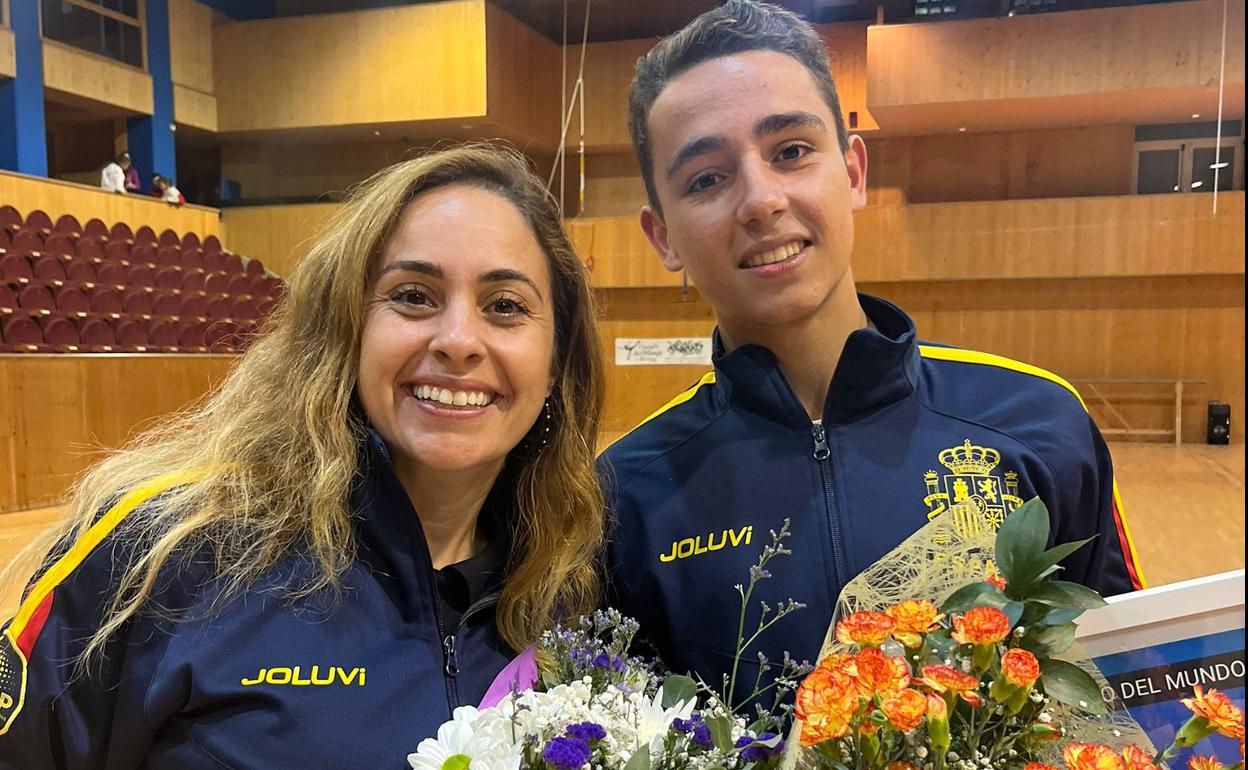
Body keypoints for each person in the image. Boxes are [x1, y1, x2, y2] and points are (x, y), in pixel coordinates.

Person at [598, 0, 1145, 706]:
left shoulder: (1039, 419)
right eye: (706, 178)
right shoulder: (626, 494)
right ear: (663, 236)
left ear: (852, 171)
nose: (760, 201)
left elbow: (1132, 689)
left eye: (791, 151)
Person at [0, 145, 606, 767]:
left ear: (556, 362)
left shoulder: (568, 584)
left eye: (505, 306)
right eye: (414, 296)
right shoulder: (160, 556)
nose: (457, 341)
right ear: (345, 330)